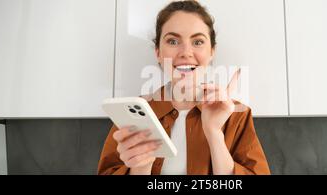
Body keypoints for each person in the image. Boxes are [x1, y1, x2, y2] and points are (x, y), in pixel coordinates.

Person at [98, 0, 270, 175]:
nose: (186, 52)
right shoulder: (133, 112)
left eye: (197, 42)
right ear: (158, 52)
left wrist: (214, 133)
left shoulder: (237, 115)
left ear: (212, 51)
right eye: (173, 41)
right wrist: (139, 168)